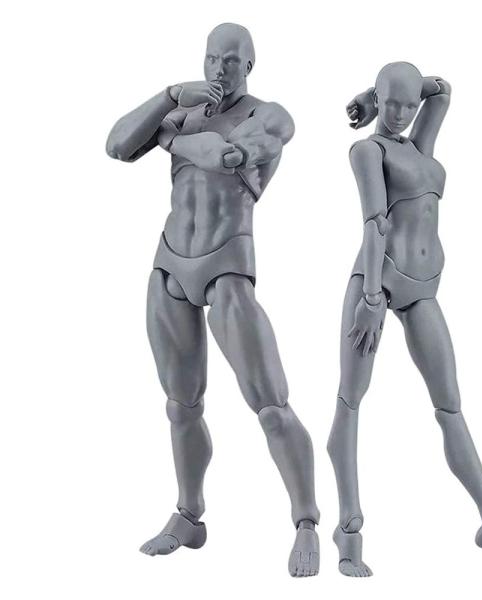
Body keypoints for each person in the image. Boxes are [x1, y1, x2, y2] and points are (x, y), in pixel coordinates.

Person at [106, 23, 319, 577]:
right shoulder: (184, 109)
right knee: (181, 405)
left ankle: (306, 521)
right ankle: (188, 515)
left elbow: (228, 156)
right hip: (171, 261)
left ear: (249, 65)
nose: (219, 68)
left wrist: (169, 138)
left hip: (227, 264)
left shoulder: (269, 115)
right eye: (211, 58)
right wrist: (169, 97)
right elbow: (117, 145)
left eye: (230, 60)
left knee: (271, 404)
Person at [327, 62, 482, 576]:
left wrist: (377, 94)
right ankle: (348, 531)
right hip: (377, 283)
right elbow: (374, 223)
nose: (399, 113)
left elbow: (442, 90)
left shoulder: (420, 147)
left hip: (423, 292)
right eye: (390, 103)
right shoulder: (368, 151)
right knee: (351, 401)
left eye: (406, 104)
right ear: (380, 99)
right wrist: (370, 298)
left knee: (450, 407)